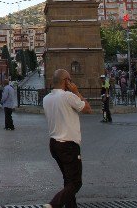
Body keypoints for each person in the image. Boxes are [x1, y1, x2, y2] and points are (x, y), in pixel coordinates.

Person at [42, 69, 92, 208]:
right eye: (70, 80)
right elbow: (88, 109)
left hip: (54, 144)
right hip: (68, 145)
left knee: (68, 180)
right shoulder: (68, 96)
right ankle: (54, 204)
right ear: (66, 82)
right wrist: (76, 92)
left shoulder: (46, 99)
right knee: (76, 183)